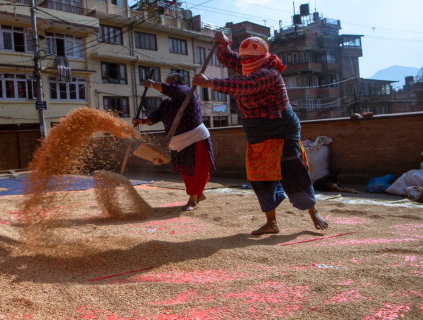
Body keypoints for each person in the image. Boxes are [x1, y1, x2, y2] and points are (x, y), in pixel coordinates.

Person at [192, 32, 328, 235]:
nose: (245, 62)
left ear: (262, 56)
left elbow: (244, 85)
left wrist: (211, 83)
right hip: (257, 131)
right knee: (259, 176)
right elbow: (228, 58)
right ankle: (271, 222)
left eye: (249, 58)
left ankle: (313, 211)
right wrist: (224, 43)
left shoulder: (269, 73)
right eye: (243, 58)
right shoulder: (248, 65)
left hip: (281, 129)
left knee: (294, 171)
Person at [132, 73, 215, 211]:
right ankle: (197, 195)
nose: (167, 86)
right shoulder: (166, 103)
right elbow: (154, 118)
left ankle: (193, 200)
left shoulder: (187, 92)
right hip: (177, 143)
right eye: (167, 83)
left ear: (178, 84)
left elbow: (171, 89)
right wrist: (141, 121)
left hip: (195, 138)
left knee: (196, 170)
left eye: (170, 83)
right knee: (185, 171)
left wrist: (152, 84)